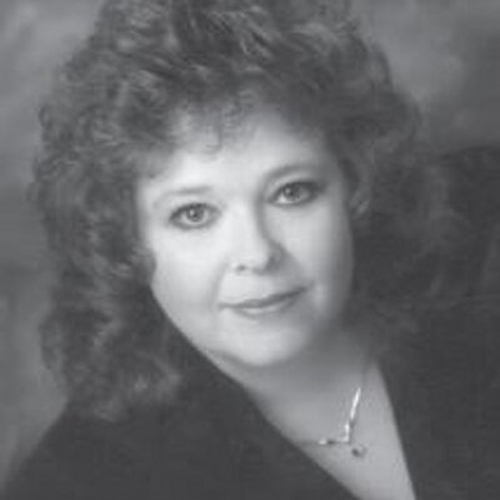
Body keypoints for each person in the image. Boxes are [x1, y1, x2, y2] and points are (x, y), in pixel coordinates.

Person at [2, 0, 500, 499]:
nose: (258, 253)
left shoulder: (480, 273)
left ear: (354, 186)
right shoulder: (80, 481)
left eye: (292, 192)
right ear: (124, 241)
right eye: (194, 214)